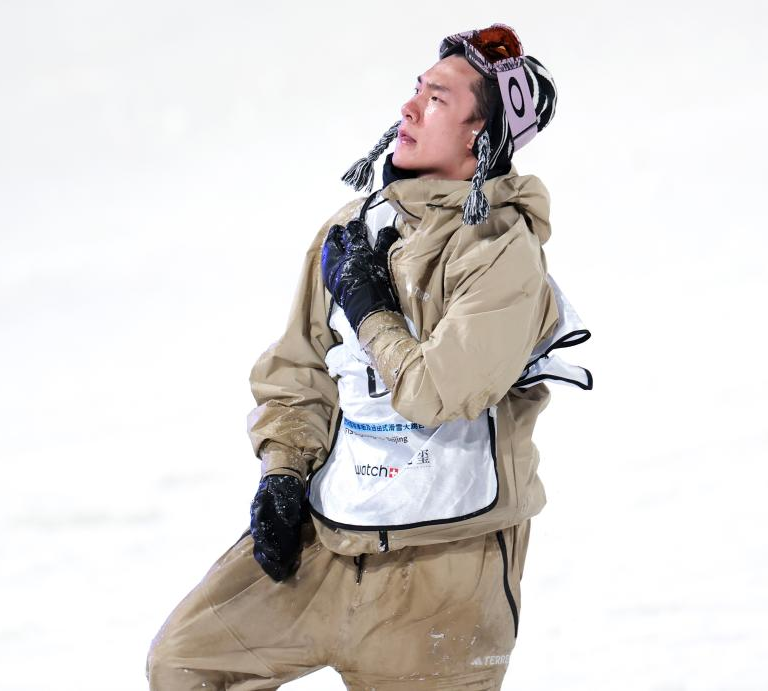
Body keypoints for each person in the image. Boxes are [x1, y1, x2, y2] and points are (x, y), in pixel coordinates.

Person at [145, 23, 591, 690]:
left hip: (442, 577)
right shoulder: (353, 227)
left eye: (436, 99)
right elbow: (299, 371)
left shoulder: (502, 254)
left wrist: (370, 309)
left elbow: (438, 393)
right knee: (185, 663)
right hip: (328, 543)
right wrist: (282, 474)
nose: (408, 108)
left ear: (480, 134)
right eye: (417, 89)